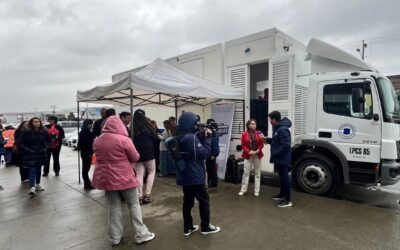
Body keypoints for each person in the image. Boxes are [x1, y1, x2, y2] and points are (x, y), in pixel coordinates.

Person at [91, 116, 155, 246]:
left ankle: (115, 237)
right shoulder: (124, 139)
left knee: (113, 206)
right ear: (119, 126)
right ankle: (141, 234)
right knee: (133, 204)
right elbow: (135, 156)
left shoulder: (97, 140)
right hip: (124, 177)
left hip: (107, 178)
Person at [175, 111, 221, 236]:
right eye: (195, 123)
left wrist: (202, 136)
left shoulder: (181, 135)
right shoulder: (190, 138)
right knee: (204, 201)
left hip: (185, 174)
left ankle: (188, 227)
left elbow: (194, 149)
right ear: (190, 123)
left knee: (188, 201)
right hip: (194, 175)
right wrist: (209, 138)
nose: (197, 125)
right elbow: (203, 154)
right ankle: (205, 227)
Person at [18, 117, 51, 196]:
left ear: (40, 123)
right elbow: (20, 143)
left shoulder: (44, 131)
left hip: (40, 153)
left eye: (38, 122)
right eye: (34, 122)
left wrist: (45, 148)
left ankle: (38, 184)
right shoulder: (26, 131)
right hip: (30, 154)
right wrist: (28, 150)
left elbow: (49, 141)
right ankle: (32, 187)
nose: (37, 123)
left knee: (39, 170)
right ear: (31, 123)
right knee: (32, 170)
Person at [266, 111, 293, 208]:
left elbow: (286, 146)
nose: (269, 121)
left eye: (270, 119)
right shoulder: (277, 129)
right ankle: (282, 195)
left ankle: (287, 200)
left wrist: (274, 153)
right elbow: (276, 141)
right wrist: (267, 139)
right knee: (282, 178)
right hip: (279, 159)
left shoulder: (283, 129)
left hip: (283, 159)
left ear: (274, 120)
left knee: (285, 179)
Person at [132, 110, 158, 204]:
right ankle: (147, 195)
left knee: (139, 174)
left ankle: (139, 196)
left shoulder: (132, 127)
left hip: (136, 153)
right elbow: (155, 137)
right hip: (149, 152)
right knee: (151, 173)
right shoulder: (148, 125)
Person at [238, 119, 264, 197]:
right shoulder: (244, 134)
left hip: (257, 154)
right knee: (246, 173)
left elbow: (262, 144)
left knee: (257, 173)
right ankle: (243, 190)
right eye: (252, 124)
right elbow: (242, 145)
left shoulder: (259, 133)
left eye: (255, 124)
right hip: (248, 155)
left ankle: (256, 191)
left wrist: (258, 150)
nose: (254, 125)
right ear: (248, 125)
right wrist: (248, 151)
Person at [78, 119, 96, 190]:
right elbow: (85, 144)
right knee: (86, 169)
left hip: (85, 152)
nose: (91, 125)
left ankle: (87, 182)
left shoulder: (84, 131)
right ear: (86, 124)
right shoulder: (85, 132)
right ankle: (87, 184)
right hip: (86, 153)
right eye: (90, 124)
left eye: (92, 124)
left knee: (85, 169)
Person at [205, 119, 220, 188]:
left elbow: (214, 145)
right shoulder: (213, 132)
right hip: (211, 153)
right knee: (210, 168)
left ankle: (214, 183)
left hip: (212, 153)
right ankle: (211, 181)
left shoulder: (214, 133)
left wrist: (213, 154)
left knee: (212, 168)